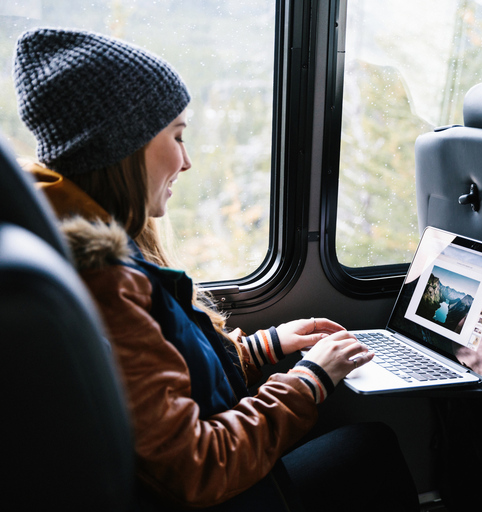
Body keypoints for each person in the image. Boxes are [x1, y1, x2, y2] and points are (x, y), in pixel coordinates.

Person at [13, 28, 418, 511]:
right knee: (370, 453)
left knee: (367, 448)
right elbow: (197, 465)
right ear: (125, 147)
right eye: (177, 136)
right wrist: (309, 380)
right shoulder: (107, 283)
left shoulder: (99, 248)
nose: (186, 162)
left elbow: (169, 387)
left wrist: (267, 347)